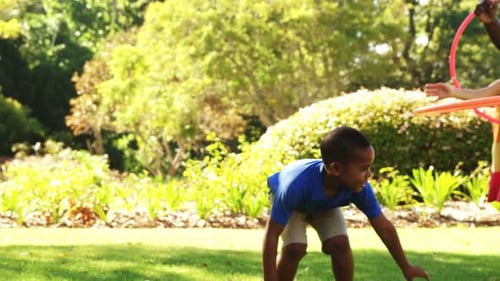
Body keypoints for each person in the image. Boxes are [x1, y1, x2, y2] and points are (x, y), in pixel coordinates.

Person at [262, 126, 430, 281]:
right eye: (363, 169)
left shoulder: (359, 188)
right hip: (296, 204)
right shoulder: (295, 186)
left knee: (339, 244)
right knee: (294, 249)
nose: (369, 175)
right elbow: (271, 234)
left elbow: (384, 228)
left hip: (324, 204)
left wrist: (406, 267)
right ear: (336, 169)